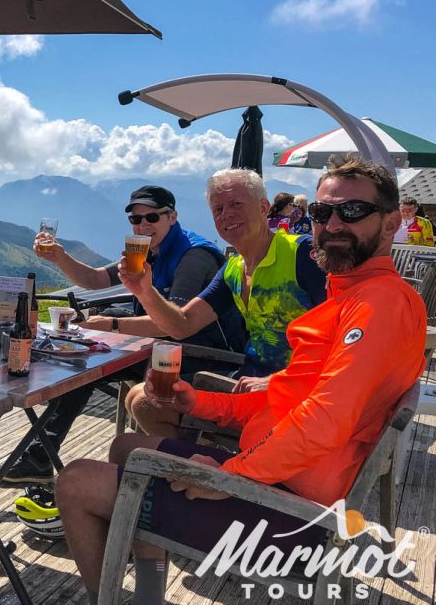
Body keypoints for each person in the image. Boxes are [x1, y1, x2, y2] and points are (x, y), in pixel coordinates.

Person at [56, 155, 426, 605]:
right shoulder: (349, 294)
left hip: (293, 511)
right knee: (126, 448)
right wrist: (200, 404)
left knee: (75, 481)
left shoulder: (376, 303)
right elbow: (287, 393)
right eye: (321, 213)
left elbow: (324, 419)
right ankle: (147, 596)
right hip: (278, 474)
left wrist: (226, 475)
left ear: (390, 224)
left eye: (351, 212)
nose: (331, 226)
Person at [0, 185, 246, 486]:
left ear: (172, 217)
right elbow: (96, 279)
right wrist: (60, 257)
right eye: (136, 220)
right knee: (81, 364)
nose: (143, 225)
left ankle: (184, 465)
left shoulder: (193, 256)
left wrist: (111, 324)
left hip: (198, 356)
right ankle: (40, 456)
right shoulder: (146, 249)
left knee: (90, 363)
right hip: (158, 350)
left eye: (152, 217)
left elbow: (173, 325)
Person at [121, 169, 327, 437]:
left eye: (236, 204)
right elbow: (182, 325)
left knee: (140, 410)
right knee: (144, 399)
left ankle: (204, 466)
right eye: (218, 208)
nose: (226, 214)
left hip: (297, 396)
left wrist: (278, 380)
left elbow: (343, 338)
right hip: (246, 386)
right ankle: (198, 464)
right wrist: (144, 291)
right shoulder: (233, 269)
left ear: (264, 207)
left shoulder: (303, 255)